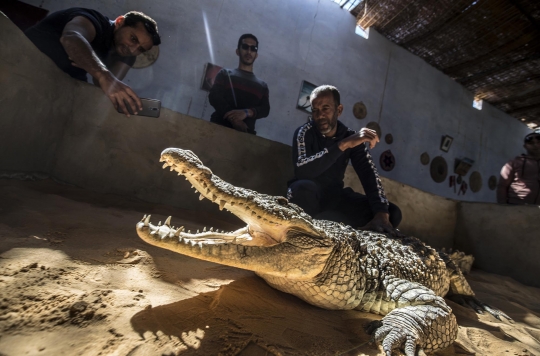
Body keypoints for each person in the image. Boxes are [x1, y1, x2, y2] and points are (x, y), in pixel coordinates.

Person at [287, 85, 402, 236]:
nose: (320, 115)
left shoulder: (350, 137)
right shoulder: (304, 132)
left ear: (339, 110)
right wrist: (342, 145)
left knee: (391, 213)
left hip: (334, 198)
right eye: (315, 110)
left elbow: (368, 174)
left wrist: (381, 212)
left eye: (325, 108)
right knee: (303, 187)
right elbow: (302, 171)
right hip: (308, 197)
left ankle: (328, 222)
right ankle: (318, 227)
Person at [24, 7, 161, 116]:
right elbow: (71, 38)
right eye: (133, 39)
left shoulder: (126, 52)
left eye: (141, 49)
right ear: (119, 22)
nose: (133, 49)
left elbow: (108, 86)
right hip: (23, 56)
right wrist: (102, 74)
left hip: (53, 84)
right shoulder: (94, 20)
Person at [209, 34, 270, 135]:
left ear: (256, 54)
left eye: (253, 48)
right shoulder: (225, 74)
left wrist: (246, 112)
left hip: (245, 135)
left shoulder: (262, 86)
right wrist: (235, 120)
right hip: (218, 129)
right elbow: (215, 97)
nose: (249, 52)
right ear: (237, 51)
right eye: (245, 47)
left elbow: (265, 109)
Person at [497, 129, 540, 205]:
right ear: (525, 146)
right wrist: (502, 206)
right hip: (516, 207)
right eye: (531, 143)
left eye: (538, 142)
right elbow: (502, 185)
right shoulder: (514, 163)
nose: (535, 145)